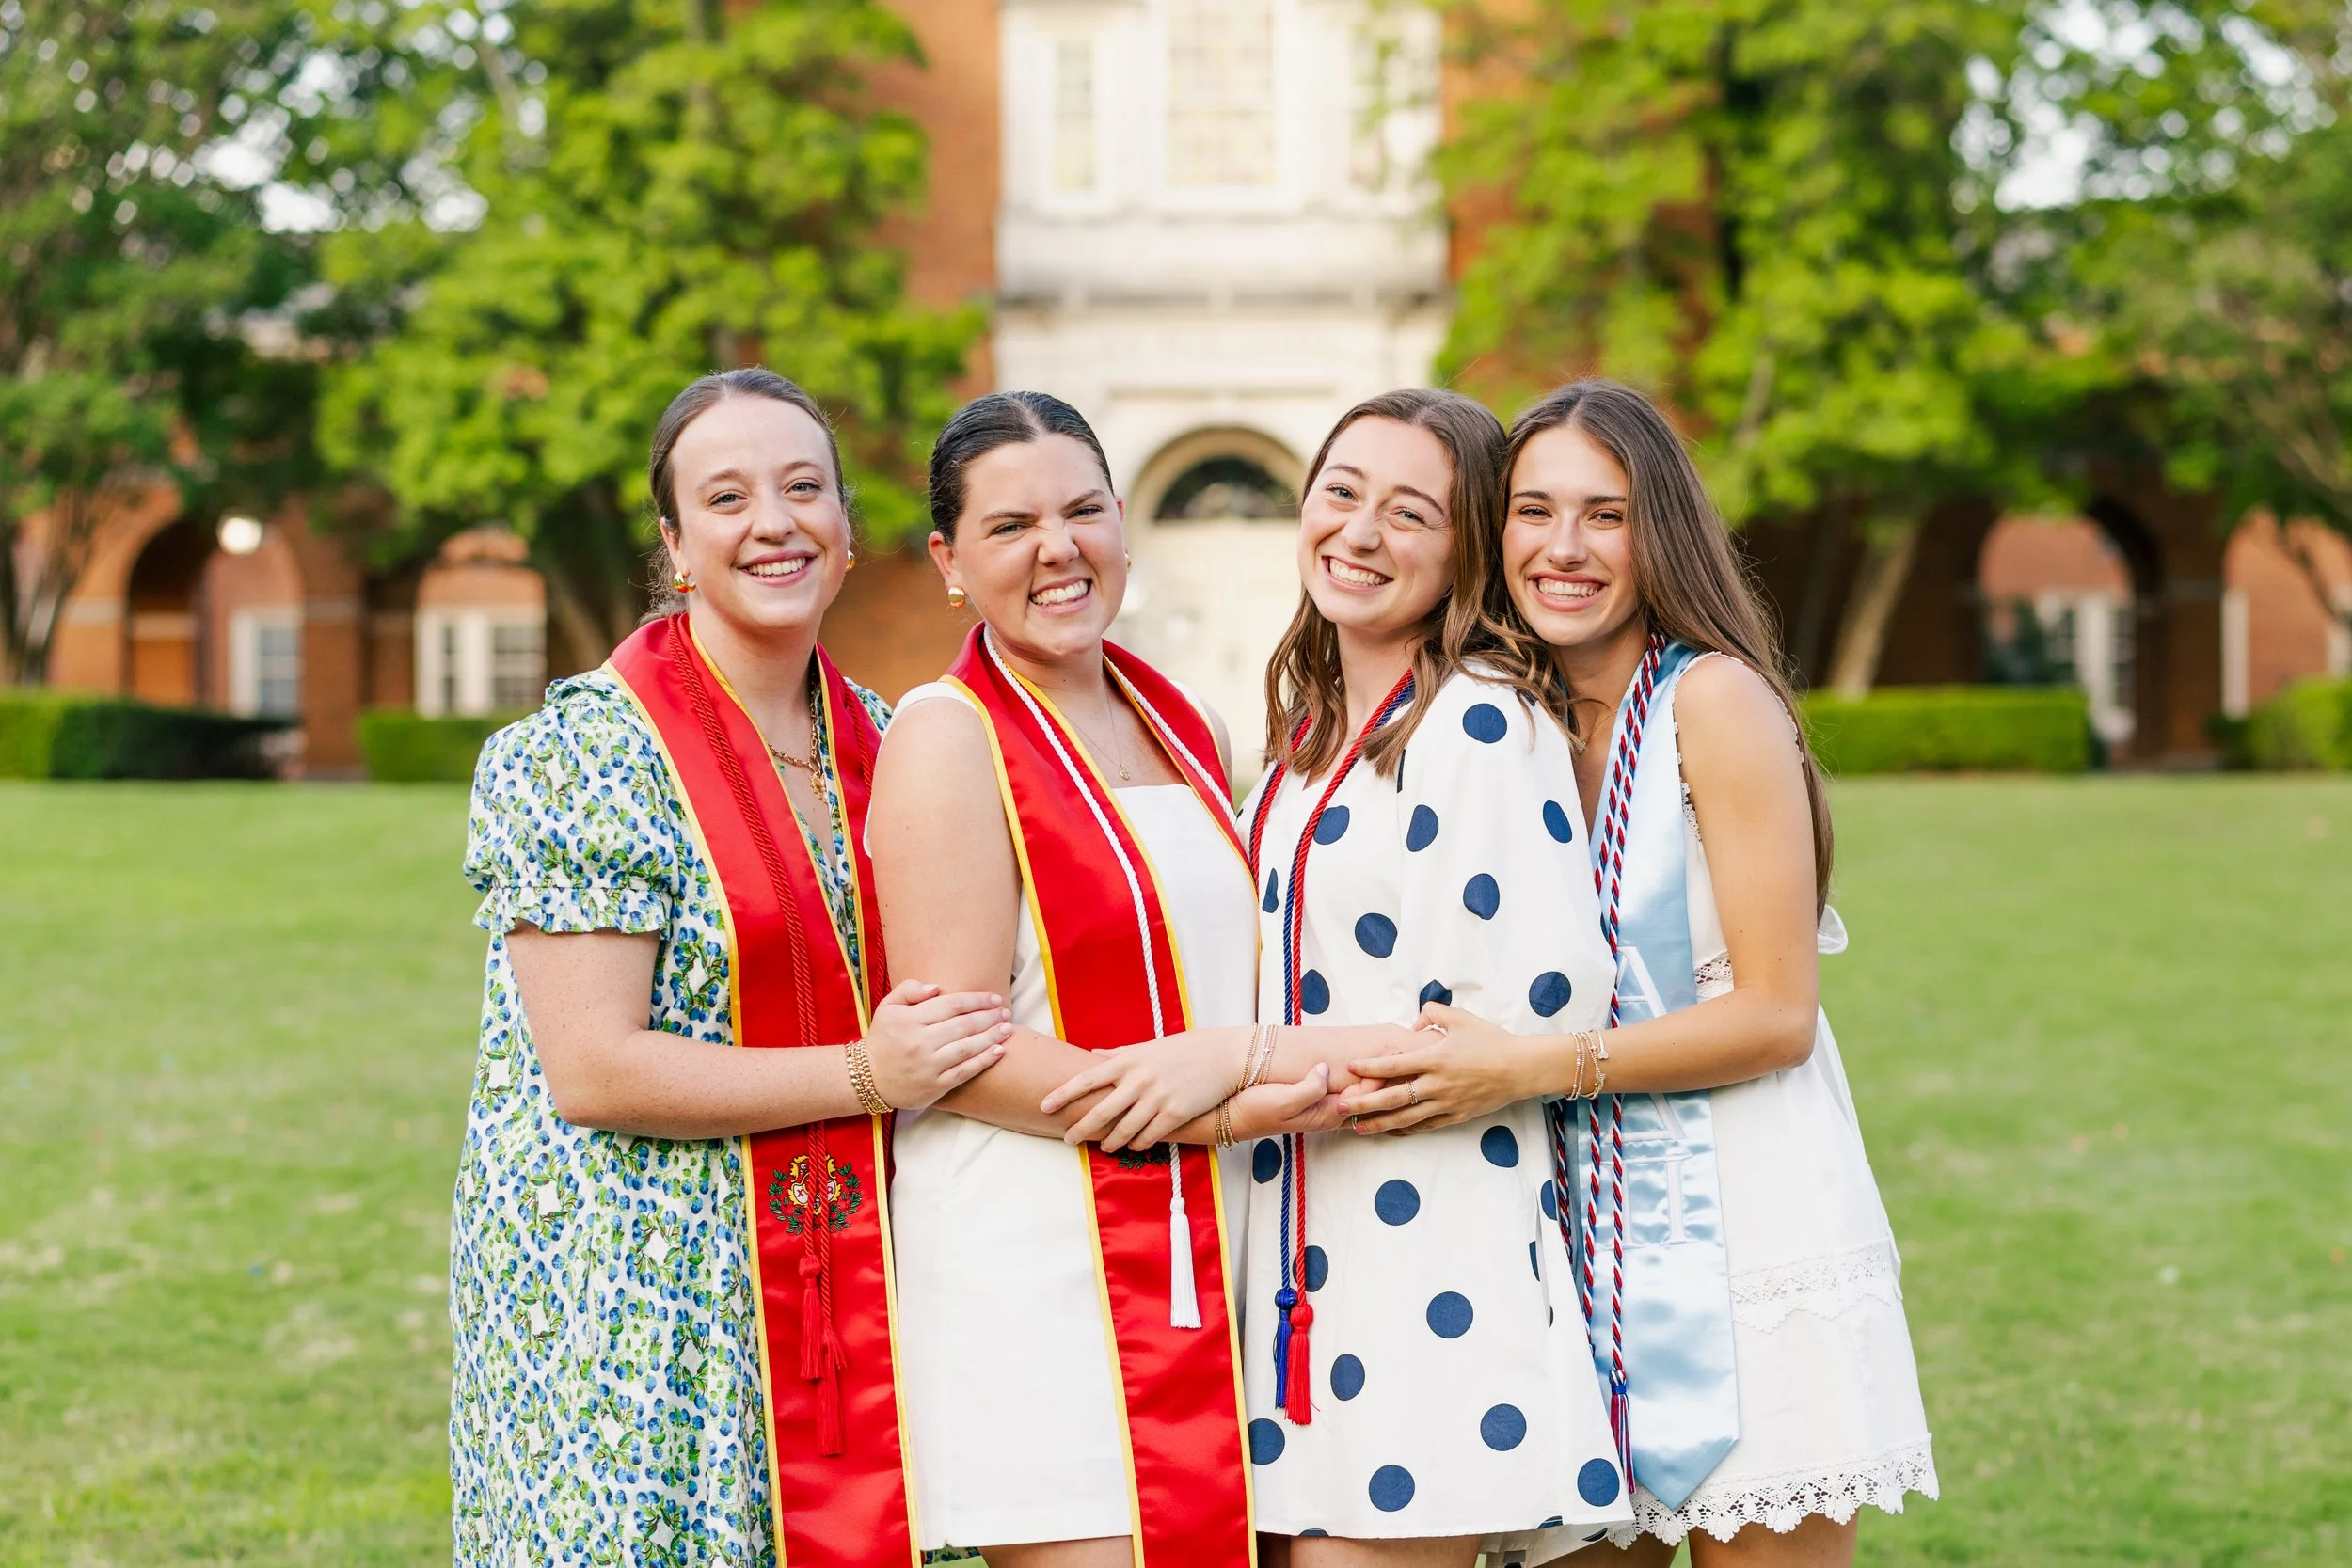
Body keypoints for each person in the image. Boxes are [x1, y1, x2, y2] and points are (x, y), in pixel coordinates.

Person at [1340, 379, 1937, 1565]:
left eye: (1604, 516)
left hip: (1747, 1223)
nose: (1562, 549)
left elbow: (1773, 1014)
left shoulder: (1713, 702)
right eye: (1531, 510)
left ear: (1656, 529)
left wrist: (1524, 1066)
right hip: (1568, 1230)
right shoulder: (1501, 719)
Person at [1058, 388, 1633, 1565]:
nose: (1360, 532)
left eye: (1410, 511)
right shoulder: (1307, 736)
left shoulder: (1478, 725)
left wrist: (1231, 1058)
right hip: (1287, 1260)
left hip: (1420, 1270)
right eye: (1341, 491)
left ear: (1468, 547)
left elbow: (1504, 1026)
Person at [452, 368, 1014, 1568]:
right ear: (676, 547)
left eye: (804, 487)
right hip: (638, 1298)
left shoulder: (895, 741)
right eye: (727, 497)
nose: (774, 521)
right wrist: (872, 1072)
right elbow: (595, 1069)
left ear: (849, 534)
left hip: (841, 1280)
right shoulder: (586, 753)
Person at [866, 390, 1406, 1568]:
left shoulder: (1183, 721)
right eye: (1009, 527)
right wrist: (1219, 1106)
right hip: (1034, 1254)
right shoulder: (945, 734)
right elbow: (959, 1048)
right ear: (948, 561)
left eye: (1082, 510)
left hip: (1211, 1241)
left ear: (1123, 521)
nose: (1057, 549)